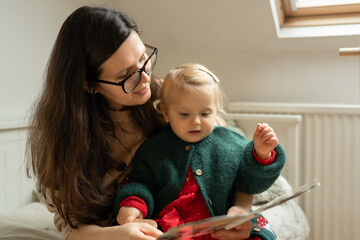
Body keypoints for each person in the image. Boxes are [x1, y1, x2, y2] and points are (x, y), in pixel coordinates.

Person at [26, 6, 259, 240]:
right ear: (89, 85)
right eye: (125, 75)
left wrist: (241, 209)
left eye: (143, 58)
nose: (145, 78)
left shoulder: (163, 96)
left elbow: (228, 161)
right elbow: (70, 227)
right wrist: (116, 234)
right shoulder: (64, 140)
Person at [115, 63, 286, 240]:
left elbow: (250, 183)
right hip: (174, 225)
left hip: (224, 222)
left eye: (205, 114)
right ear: (165, 113)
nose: (196, 122)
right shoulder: (154, 148)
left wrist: (262, 153)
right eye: (184, 114)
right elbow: (141, 183)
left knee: (259, 235)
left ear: (216, 110)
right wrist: (133, 205)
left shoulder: (231, 142)